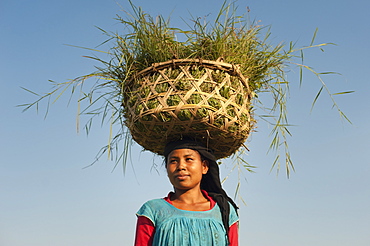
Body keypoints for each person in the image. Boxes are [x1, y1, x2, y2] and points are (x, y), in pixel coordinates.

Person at [134, 138, 239, 246]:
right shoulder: (152, 210)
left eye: (188, 159)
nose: (181, 167)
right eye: (173, 161)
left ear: (204, 166)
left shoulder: (224, 211)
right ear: (167, 168)